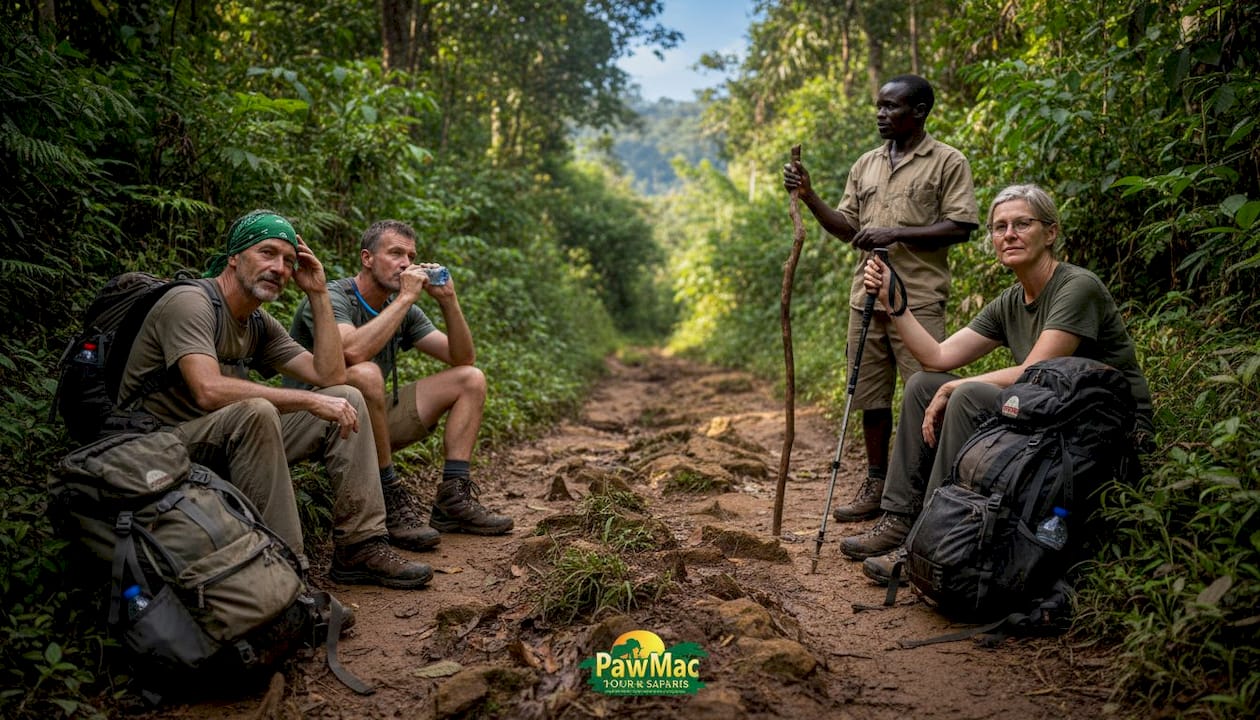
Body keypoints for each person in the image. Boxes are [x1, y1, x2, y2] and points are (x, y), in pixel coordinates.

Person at [849, 184, 1155, 582]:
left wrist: (953, 388)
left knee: (968, 394)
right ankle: (900, 518)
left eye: (1022, 224)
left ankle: (930, 539)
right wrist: (897, 304)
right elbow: (937, 357)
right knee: (925, 382)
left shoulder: (1077, 287)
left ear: (1050, 233)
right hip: (1049, 415)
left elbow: (1037, 368)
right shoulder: (1012, 299)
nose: (1008, 234)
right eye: (999, 227)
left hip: (1100, 427)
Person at [117, 210, 433, 589]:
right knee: (257, 409)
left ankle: (360, 546)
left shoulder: (257, 322)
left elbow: (330, 374)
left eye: (287, 260)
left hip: (225, 438)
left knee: (347, 393)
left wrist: (317, 291)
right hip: (159, 445)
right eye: (267, 253)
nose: (279, 268)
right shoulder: (191, 303)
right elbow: (209, 389)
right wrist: (306, 402)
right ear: (234, 256)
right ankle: (288, 573)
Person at [782, 74, 979, 527]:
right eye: (879, 106)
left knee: (927, 392)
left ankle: (924, 491)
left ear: (920, 112)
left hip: (919, 299)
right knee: (870, 395)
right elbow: (850, 229)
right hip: (866, 296)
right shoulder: (866, 164)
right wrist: (810, 197)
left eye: (891, 107)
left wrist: (897, 233)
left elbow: (961, 226)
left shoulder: (947, 161)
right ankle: (876, 483)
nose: (881, 115)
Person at [287, 220, 513, 551]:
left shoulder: (400, 307)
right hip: (320, 419)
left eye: (410, 256)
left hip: (368, 423)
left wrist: (449, 301)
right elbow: (352, 351)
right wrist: (406, 299)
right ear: (367, 258)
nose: (406, 263)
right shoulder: (333, 296)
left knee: (471, 379)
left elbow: (461, 356)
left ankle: (453, 500)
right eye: (395, 253)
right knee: (366, 373)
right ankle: (389, 494)